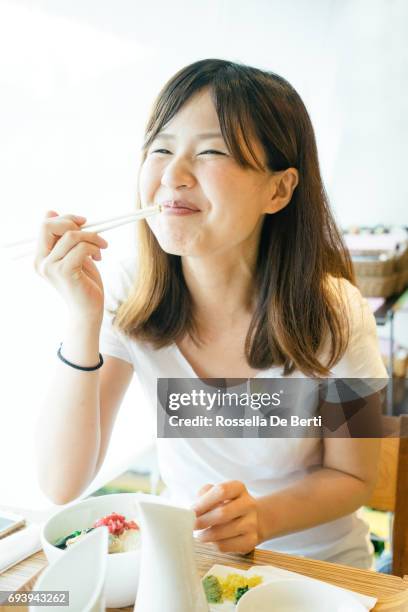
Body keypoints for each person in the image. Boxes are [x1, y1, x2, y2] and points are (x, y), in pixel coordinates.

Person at [34, 58, 387, 568]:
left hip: (321, 573)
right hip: (191, 569)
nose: (173, 175)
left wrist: (261, 519)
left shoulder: (337, 311)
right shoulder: (131, 293)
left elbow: (355, 478)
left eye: (211, 152)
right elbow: (59, 483)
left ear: (279, 189)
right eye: (161, 149)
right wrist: (80, 319)